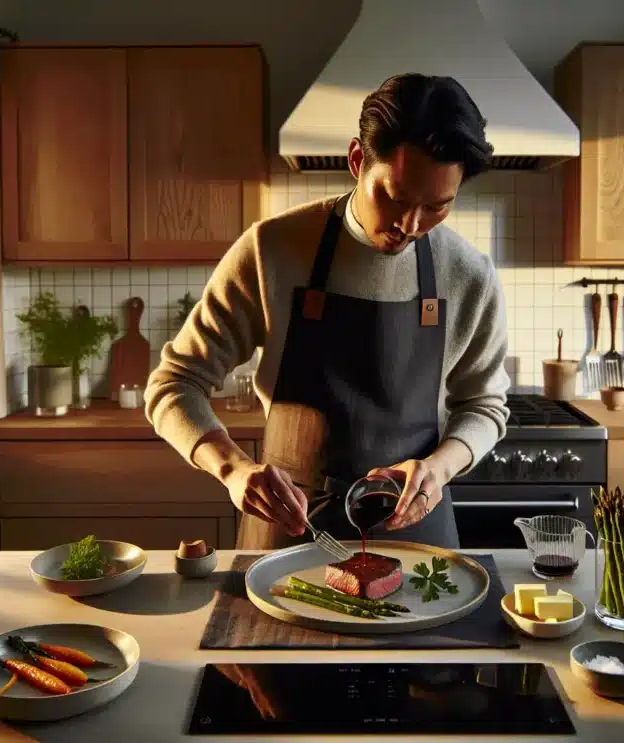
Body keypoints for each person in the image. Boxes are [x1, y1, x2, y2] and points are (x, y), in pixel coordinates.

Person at [145, 73, 510, 550]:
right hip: (288, 529)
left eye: (437, 207)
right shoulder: (272, 250)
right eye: (395, 198)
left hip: (416, 535)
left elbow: (484, 406)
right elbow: (174, 383)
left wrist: (439, 468)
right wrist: (234, 469)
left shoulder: (468, 274)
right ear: (358, 160)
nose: (410, 225)